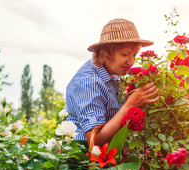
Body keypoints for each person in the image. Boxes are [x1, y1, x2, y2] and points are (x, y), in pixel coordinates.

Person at [65, 18, 160, 147]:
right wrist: (130, 105)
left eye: (134, 55)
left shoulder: (111, 75)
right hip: (83, 159)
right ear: (104, 53)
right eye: (125, 54)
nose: (131, 62)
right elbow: (94, 141)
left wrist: (129, 99)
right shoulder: (88, 82)